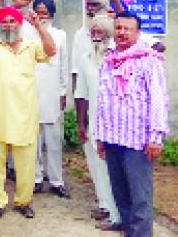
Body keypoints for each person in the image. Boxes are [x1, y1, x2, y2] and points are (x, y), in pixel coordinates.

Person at [0, 6, 56, 219]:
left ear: (19, 24)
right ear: (0, 25)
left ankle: (22, 202)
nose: (9, 24)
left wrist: (38, 26)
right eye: (5, 21)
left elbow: (51, 51)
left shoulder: (31, 46)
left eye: (13, 21)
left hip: (24, 115)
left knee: (26, 164)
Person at [95, 13, 169, 237]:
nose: (122, 33)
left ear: (138, 33)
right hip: (112, 139)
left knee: (140, 198)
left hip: (138, 142)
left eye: (128, 29)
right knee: (121, 196)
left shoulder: (149, 60)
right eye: (118, 28)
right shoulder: (108, 60)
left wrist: (156, 137)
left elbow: (158, 99)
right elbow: (102, 100)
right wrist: (100, 136)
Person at [74, 14, 122, 231]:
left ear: (109, 34)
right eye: (93, 31)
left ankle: (118, 215)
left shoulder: (117, 57)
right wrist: (81, 123)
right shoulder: (86, 58)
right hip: (93, 122)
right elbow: (81, 93)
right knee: (96, 166)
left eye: (99, 31)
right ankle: (105, 206)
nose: (95, 34)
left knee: (110, 169)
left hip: (113, 125)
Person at [31, 0, 69, 198]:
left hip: (52, 92)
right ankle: (36, 178)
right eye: (38, 11)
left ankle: (56, 180)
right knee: (33, 140)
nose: (42, 15)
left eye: (45, 12)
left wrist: (63, 92)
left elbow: (64, 65)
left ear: (51, 13)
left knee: (53, 140)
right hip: (30, 93)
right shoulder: (27, 34)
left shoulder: (60, 35)